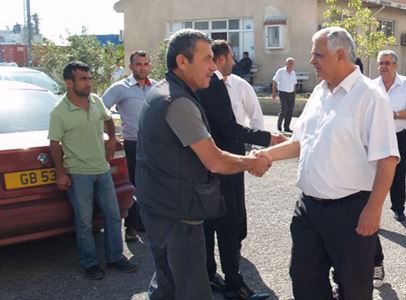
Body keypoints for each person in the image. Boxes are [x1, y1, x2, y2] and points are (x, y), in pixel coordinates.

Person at [255, 27, 399, 300]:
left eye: (317, 55)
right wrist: (267, 155)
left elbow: (387, 159)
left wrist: (374, 209)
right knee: (304, 279)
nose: (311, 61)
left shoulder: (370, 96)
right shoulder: (319, 93)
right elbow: (301, 142)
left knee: (354, 288)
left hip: (351, 212)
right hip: (308, 209)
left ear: (340, 55)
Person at [135, 29, 271, 300]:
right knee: (191, 289)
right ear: (182, 61)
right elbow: (215, 160)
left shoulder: (163, 90)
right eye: (207, 59)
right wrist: (252, 163)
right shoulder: (178, 101)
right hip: (177, 214)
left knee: (167, 282)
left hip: (159, 206)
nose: (214, 66)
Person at [197, 40, 286, 300]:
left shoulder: (206, 85)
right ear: (218, 59)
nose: (235, 63)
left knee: (213, 223)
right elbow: (229, 128)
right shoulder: (212, 84)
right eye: (231, 57)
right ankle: (234, 286)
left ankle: (210, 275)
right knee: (228, 224)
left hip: (213, 165)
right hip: (225, 165)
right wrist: (268, 138)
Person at [48, 61, 137, 280]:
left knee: (113, 216)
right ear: (69, 82)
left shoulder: (96, 101)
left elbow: (108, 120)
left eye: (89, 78)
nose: (89, 83)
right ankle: (90, 264)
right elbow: (54, 144)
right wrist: (60, 172)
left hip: (102, 170)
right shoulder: (60, 111)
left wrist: (111, 141)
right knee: (85, 222)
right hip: (78, 174)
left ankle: (115, 257)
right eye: (83, 79)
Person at [369, 49, 406, 288]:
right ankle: (373, 211)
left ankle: (398, 207)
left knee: (398, 175)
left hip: (398, 135)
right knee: (374, 178)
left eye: (387, 63)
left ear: (395, 65)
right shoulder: (372, 85)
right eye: (380, 63)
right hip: (377, 136)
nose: (383, 67)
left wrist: (394, 114)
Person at [102, 50, 156, 242]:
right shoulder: (121, 88)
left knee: (151, 185)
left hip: (154, 144)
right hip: (132, 144)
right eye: (138, 64)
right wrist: (109, 136)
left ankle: (145, 223)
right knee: (132, 185)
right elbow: (101, 109)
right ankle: (130, 227)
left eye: (146, 64)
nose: (143, 68)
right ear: (131, 67)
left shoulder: (156, 87)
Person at [272, 57, 298, 132]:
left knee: (290, 111)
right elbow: (274, 81)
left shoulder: (293, 73)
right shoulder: (280, 71)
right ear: (286, 63)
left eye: (292, 63)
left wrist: (294, 93)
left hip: (291, 93)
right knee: (284, 110)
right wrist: (274, 92)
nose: (291, 64)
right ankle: (279, 125)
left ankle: (286, 127)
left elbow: (294, 84)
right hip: (283, 93)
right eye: (289, 62)